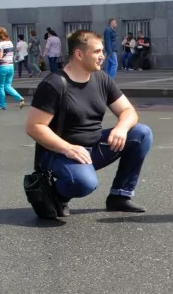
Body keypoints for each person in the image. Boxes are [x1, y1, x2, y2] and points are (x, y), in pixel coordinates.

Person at [25, 30, 153, 216]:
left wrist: (121, 128)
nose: (103, 56)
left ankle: (119, 196)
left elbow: (128, 111)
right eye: (97, 51)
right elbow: (34, 126)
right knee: (84, 182)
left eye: (102, 51)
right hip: (59, 152)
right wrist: (67, 148)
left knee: (141, 133)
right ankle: (57, 195)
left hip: (93, 147)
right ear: (79, 54)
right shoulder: (54, 84)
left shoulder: (101, 79)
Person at [0, 27, 25, 110]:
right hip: (11, 66)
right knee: (8, 85)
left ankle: (2, 105)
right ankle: (20, 98)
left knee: (0, 86)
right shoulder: (10, 43)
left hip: (2, 67)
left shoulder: (0, 44)